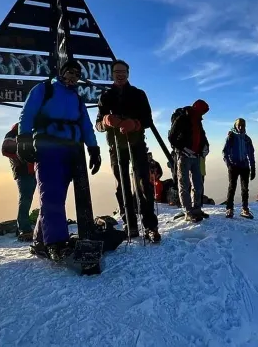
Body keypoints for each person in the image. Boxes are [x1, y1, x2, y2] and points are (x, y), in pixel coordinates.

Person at [16, 59, 102, 261]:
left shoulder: (76, 98)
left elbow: (86, 125)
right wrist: (24, 140)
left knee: (55, 195)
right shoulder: (44, 89)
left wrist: (93, 148)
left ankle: (40, 241)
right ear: (61, 72)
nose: (73, 77)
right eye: (70, 72)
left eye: (76, 74)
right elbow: (27, 113)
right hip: (47, 147)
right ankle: (56, 243)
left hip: (71, 149)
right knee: (51, 194)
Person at [94, 59, 161, 243]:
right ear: (112, 74)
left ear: (128, 73)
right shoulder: (106, 97)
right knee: (122, 185)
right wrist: (106, 120)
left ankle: (150, 225)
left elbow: (148, 119)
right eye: (117, 72)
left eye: (123, 71)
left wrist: (135, 123)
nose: (120, 74)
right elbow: (98, 124)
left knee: (143, 184)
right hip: (116, 146)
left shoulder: (139, 94)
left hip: (137, 143)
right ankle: (129, 223)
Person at [168, 99, 210, 223]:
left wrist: (205, 147)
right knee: (184, 184)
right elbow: (172, 137)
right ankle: (188, 211)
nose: (203, 114)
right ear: (197, 109)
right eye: (202, 111)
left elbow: (202, 137)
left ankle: (196, 209)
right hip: (184, 156)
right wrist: (183, 149)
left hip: (196, 157)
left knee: (198, 184)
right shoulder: (182, 118)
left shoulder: (198, 121)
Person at [1, 123, 37, 242]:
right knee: (25, 199)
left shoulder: (26, 131)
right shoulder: (15, 132)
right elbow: (5, 148)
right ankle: (24, 229)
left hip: (32, 170)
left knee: (27, 198)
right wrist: (20, 156)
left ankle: (24, 227)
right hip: (24, 171)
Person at [222, 118, 256, 219]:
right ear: (235, 126)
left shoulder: (247, 139)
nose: (241, 127)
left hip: (245, 166)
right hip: (234, 166)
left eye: (243, 125)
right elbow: (225, 152)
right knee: (232, 187)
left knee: (245, 189)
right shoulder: (231, 137)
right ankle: (229, 209)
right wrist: (229, 164)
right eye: (239, 125)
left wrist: (253, 167)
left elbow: (251, 154)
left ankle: (245, 209)